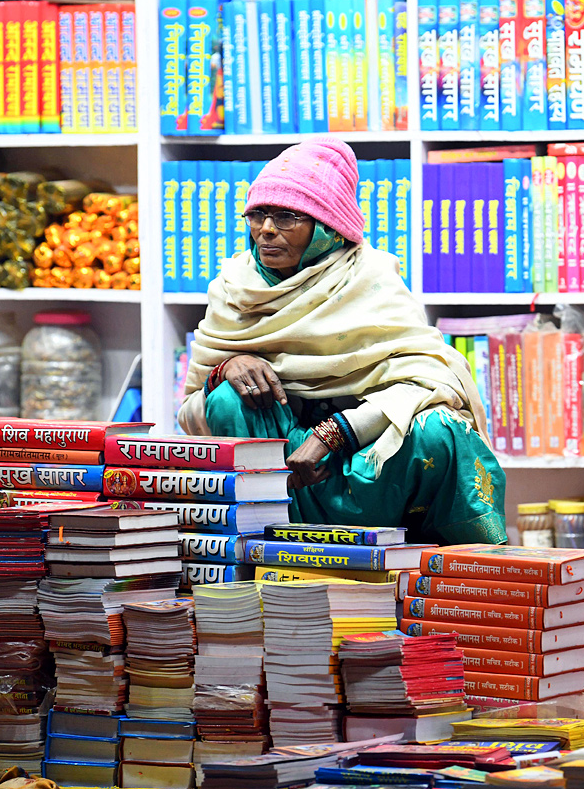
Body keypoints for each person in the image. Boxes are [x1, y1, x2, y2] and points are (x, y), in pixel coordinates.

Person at [177, 138, 507, 545]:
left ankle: (461, 562)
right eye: (257, 214)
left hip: (370, 463)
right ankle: (260, 550)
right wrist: (225, 369)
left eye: (286, 217)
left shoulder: (370, 279)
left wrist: (332, 435)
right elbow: (191, 415)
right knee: (227, 398)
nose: (265, 230)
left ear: (326, 227)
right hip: (283, 480)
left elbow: (431, 381)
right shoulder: (233, 288)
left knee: (440, 428)